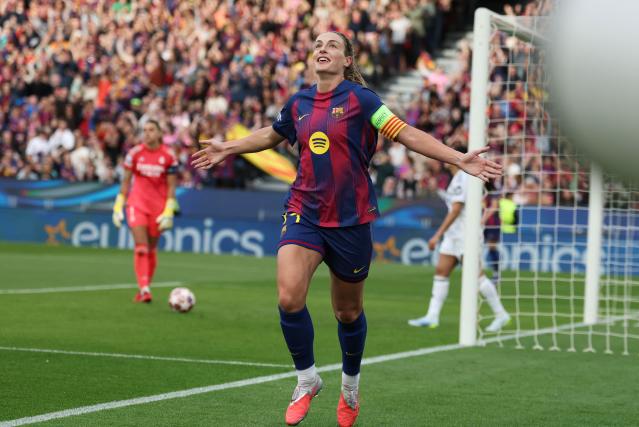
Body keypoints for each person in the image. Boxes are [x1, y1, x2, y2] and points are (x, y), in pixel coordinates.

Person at [191, 32, 502, 427]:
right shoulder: (299, 102)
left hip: (351, 219)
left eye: (333, 45)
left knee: (348, 311)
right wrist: (227, 147)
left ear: (347, 59)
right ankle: (306, 379)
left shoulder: (362, 100)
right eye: (317, 43)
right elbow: (272, 135)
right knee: (289, 297)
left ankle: (350, 386)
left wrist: (458, 158)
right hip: (303, 210)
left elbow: (406, 133)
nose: (322, 48)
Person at [408, 155, 511, 332]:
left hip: (466, 234)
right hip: (454, 234)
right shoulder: (457, 177)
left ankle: (501, 315)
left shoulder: (463, 176)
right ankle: (432, 316)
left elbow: (456, 209)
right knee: (441, 270)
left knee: (476, 276)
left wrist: (437, 235)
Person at [112, 120, 179, 303]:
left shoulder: (169, 156)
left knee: (151, 248)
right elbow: (125, 183)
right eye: (144, 130)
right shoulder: (134, 154)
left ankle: (145, 285)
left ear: (159, 134)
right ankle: (144, 289)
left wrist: (168, 211)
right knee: (141, 247)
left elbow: (172, 186)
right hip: (137, 204)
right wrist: (118, 206)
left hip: (158, 208)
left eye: (151, 130)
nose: (147, 133)